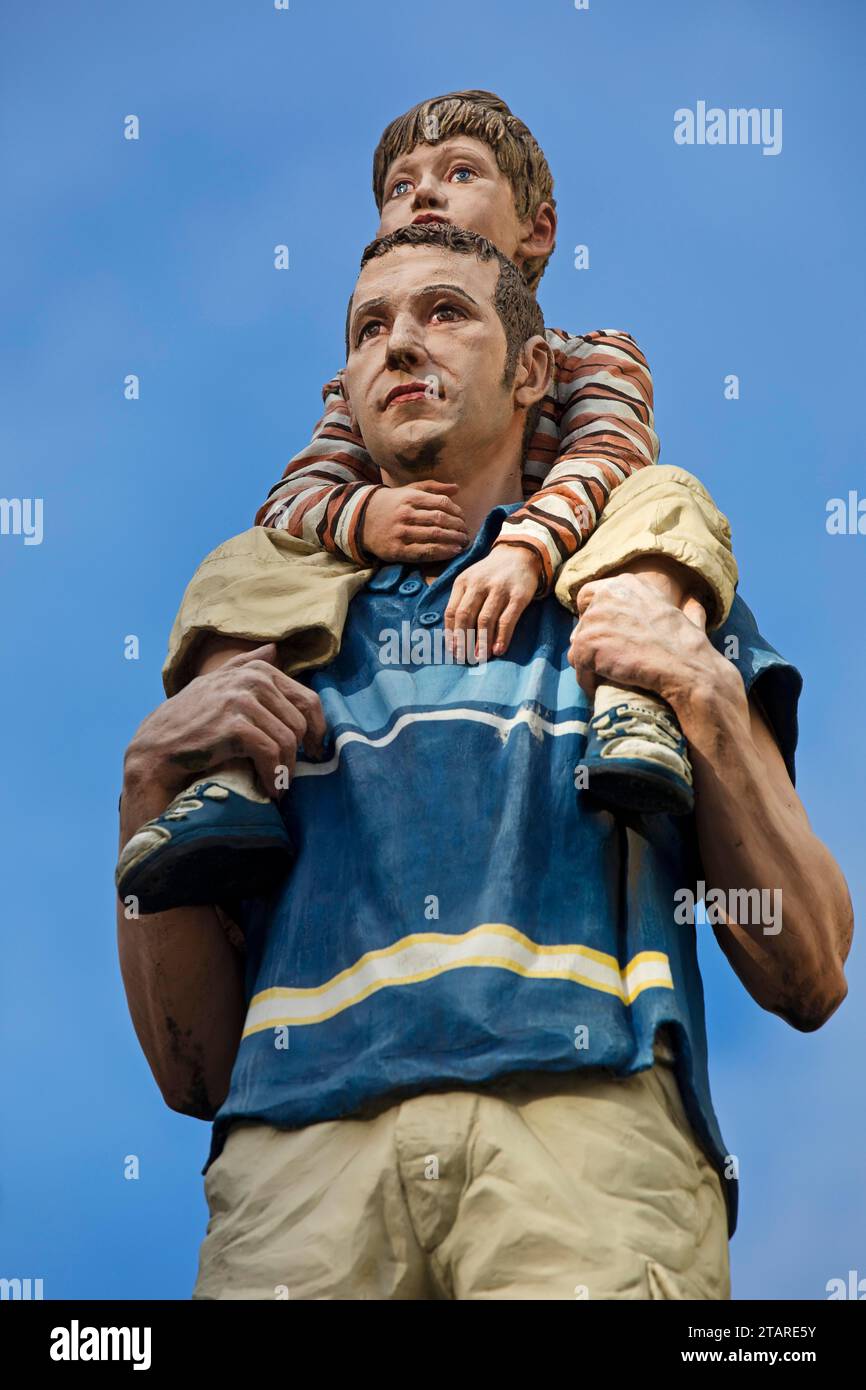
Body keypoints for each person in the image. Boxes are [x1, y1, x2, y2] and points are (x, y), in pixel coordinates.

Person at [116, 224, 852, 1299]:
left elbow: (811, 966)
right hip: (295, 1171)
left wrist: (702, 696)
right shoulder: (266, 642)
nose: (399, 347)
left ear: (531, 373)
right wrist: (146, 787)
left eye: (444, 312)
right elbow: (191, 1070)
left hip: (588, 1143)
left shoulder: (639, 596)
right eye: (370, 328)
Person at [115, 90, 739, 913]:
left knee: (665, 498)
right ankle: (228, 770)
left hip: (558, 554)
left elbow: (609, 453)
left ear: (538, 231)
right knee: (253, 561)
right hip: (395, 554)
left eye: (460, 173)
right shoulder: (365, 385)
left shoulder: (589, 356)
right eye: (401, 186)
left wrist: (527, 545)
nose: (426, 193)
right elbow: (296, 499)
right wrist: (362, 518)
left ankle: (631, 705)